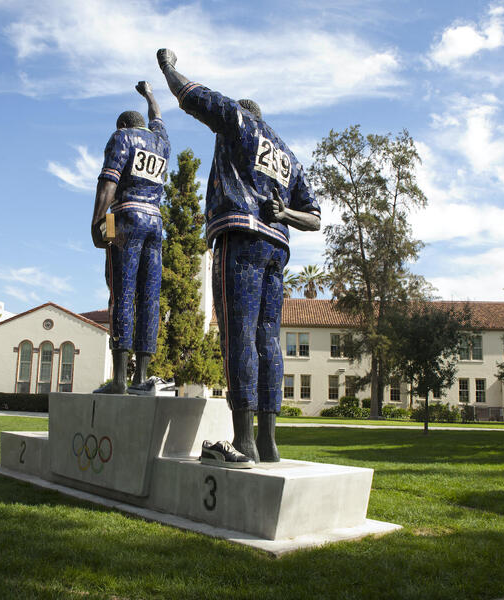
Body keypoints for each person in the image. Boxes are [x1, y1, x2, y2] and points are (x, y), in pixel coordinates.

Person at [157, 49, 321, 463]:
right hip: (277, 246)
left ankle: (243, 439)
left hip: (241, 235)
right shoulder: (287, 156)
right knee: (269, 337)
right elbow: (315, 217)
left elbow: (192, 95)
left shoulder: (239, 123)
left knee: (238, 334)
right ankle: (268, 440)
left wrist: (167, 67)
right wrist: (283, 213)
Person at [91, 81, 170, 395]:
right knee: (149, 296)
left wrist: (98, 221)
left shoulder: (121, 137)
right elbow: (158, 117)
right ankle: (142, 378)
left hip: (123, 216)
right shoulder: (161, 143)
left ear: (122, 125)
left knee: (121, 291)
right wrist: (150, 94)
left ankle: (121, 379)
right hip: (155, 221)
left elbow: (109, 182)